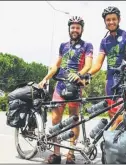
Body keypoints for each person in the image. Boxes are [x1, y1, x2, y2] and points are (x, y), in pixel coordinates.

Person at [39, 16, 93, 164]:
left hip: (75, 87)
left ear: (81, 29)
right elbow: (56, 65)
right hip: (60, 86)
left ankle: (71, 153)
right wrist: (46, 78)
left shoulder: (87, 45)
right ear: (69, 29)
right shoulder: (63, 45)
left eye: (78, 27)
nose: (75, 30)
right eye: (73, 27)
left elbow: (88, 65)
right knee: (56, 120)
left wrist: (79, 75)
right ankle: (56, 154)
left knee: (74, 121)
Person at [85, 6, 126, 130]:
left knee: (122, 117)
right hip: (110, 82)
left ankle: (108, 138)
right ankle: (113, 146)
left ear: (119, 20)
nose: (111, 22)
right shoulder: (104, 41)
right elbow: (98, 64)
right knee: (113, 117)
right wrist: (87, 74)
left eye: (113, 19)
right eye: (108, 20)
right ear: (105, 22)